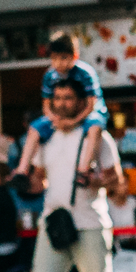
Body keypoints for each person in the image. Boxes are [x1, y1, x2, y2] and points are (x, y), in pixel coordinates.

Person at [0, 77, 124, 272]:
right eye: (58, 98)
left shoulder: (97, 136)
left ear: (81, 102)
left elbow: (117, 180)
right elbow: (40, 179)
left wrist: (93, 180)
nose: (63, 103)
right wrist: (21, 181)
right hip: (54, 221)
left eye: (69, 98)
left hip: (90, 221)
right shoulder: (46, 138)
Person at [13, 33, 107, 196]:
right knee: (35, 128)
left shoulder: (85, 72)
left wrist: (73, 122)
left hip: (90, 114)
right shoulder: (50, 75)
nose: (59, 63)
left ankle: (83, 170)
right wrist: (56, 119)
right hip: (60, 119)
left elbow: (91, 105)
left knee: (94, 128)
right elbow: (46, 105)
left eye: (63, 58)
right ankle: (22, 170)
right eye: (54, 58)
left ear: (74, 56)